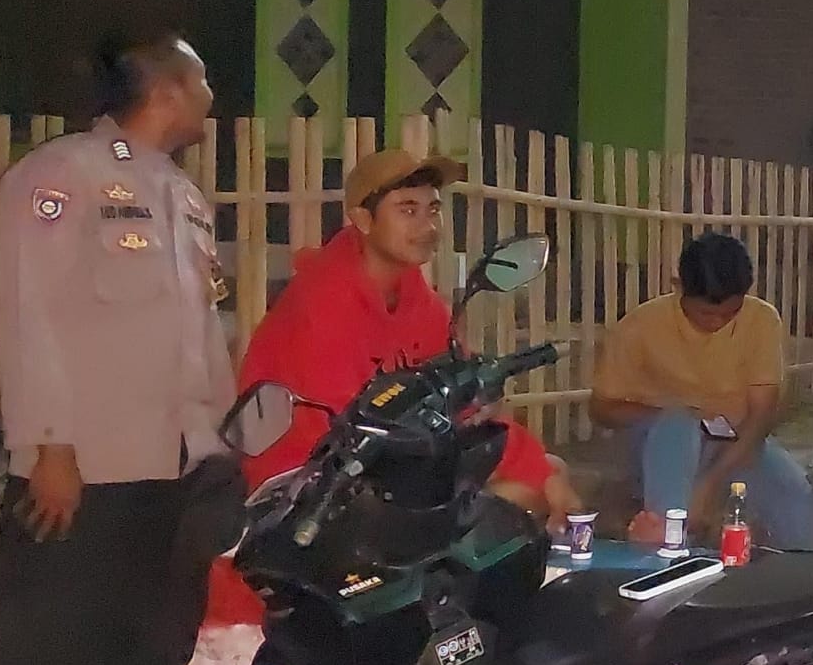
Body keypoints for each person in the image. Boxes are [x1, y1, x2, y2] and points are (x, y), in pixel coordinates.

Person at [0, 32, 246, 665]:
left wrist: (219, 447)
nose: (212, 97)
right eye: (203, 80)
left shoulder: (183, 198)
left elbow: (196, 337)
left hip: (173, 479)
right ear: (168, 90)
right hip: (86, 479)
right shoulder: (61, 174)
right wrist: (50, 445)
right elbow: (30, 313)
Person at [237, 147, 580, 520]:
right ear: (363, 219)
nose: (428, 227)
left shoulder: (423, 305)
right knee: (517, 498)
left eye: (433, 209)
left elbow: (464, 403)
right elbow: (351, 435)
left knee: (547, 471)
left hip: (389, 469)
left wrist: (537, 470)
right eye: (408, 210)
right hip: (308, 492)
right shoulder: (320, 305)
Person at [590, 233, 813, 550]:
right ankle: (668, 542)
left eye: (730, 313)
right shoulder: (640, 325)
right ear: (679, 287)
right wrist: (675, 415)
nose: (716, 322)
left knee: (796, 500)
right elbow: (602, 408)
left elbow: (760, 419)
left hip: (732, 442)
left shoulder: (761, 320)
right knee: (678, 427)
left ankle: (810, 566)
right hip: (657, 442)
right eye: (704, 313)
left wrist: (709, 484)